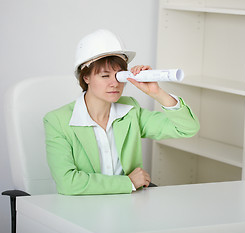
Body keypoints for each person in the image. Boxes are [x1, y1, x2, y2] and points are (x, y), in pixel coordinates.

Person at [43, 29, 200, 195]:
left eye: (120, 76)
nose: (114, 83)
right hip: (83, 209)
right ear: (86, 77)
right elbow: (68, 183)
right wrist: (128, 182)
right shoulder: (57, 121)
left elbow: (187, 128)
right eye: (105, 76)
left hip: (129, 206)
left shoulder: (130, 110)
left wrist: (156, 92)